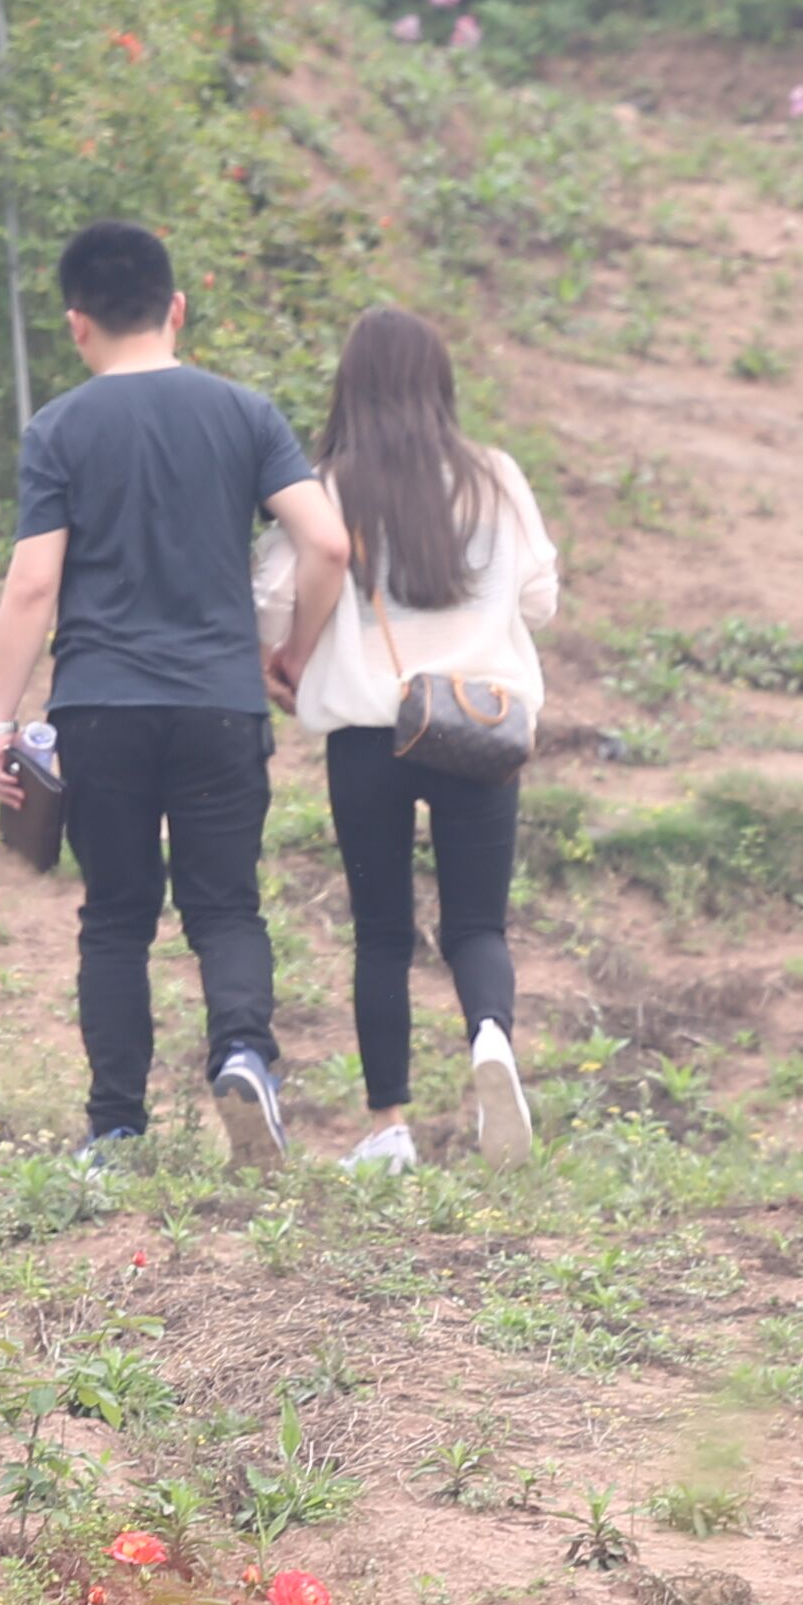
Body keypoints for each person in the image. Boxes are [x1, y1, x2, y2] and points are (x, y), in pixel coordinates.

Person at [0, 222, 351, 1165]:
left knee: (115, 915)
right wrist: (295, 653)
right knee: (225, 908)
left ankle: (115, 1130)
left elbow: (32, 585)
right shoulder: (245, 413)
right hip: (221, 703)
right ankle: (243, 1057)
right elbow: (330, 544)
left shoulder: (58, 427)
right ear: (176, 307)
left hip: (99, 706)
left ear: (76, 326)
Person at [272, 306, 550, 1172]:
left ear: (349, 383)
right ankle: (491, 1044)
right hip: (482, 727)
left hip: (368, 734)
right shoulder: (493, 477)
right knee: (477, 924)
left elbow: (280, 597)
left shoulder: (330, 485)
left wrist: (288, 660)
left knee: (382, 933)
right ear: (440, 384)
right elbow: (538, 599)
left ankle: (389, 1125)